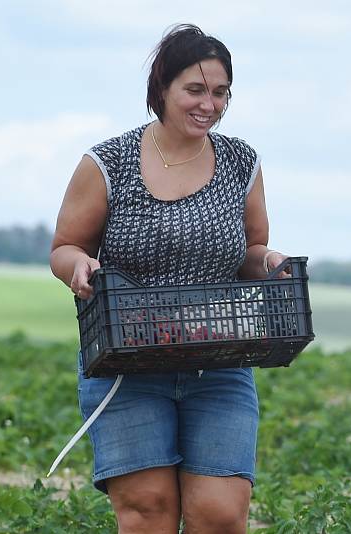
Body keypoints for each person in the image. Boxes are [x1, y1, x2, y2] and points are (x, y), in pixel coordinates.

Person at [49, 24, 288, 534]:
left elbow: (250, 250)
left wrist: (269, 263)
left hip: (219, 360)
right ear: (162, 90)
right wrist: (79, 268)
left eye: (220, 92)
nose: (210, 104)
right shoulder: (108, 162)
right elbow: (65, 247)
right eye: (195, 90)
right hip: (126, 361)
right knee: (146, 512)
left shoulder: (242, 162)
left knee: (221, 515)